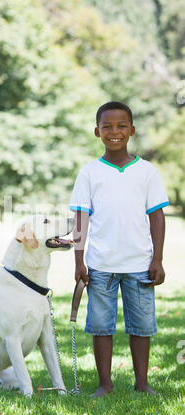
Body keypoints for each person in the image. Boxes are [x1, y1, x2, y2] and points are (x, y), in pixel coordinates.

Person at [69, 101, 169, 397]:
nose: (115, 131)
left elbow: (158, 216)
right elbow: (80, 218)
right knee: (101, 326)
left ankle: (142, 382)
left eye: (121, 125)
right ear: (97, 131)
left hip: (140, 263)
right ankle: (105, 384)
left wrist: (158, 259)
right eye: (108, 126)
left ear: (132, 130)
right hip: (100, 265)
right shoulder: (89, 172)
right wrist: (79, 260)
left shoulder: (147, 172)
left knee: (142, 326)